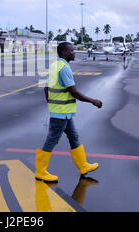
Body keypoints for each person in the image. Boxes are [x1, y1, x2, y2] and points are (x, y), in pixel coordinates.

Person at [35, 42, 103, 183]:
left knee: (74, 137)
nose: (74, 52)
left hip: (62, 112)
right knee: (51, 140)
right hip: (61, 113)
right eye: (71, 50)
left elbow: (46, 88)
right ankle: (41, 172)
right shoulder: (64, 68)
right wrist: (93, 101)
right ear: (63, 52)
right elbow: (74, 92)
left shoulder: (55, 65)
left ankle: (83, 166)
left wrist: (51, 103)